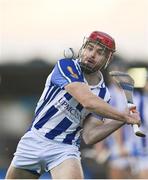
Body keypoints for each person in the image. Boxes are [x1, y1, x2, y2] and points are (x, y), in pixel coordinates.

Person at [5, 31, 141, 179]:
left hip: (64, 149)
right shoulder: (66, 66)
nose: (92, 55)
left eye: (99, 52)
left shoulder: (104, 95)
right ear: (83, 48)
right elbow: (87, 101)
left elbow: (90, 136)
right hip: (35, 139)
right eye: (89, 48)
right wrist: (123, 115)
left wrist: (121, 120)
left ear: (108, 58)